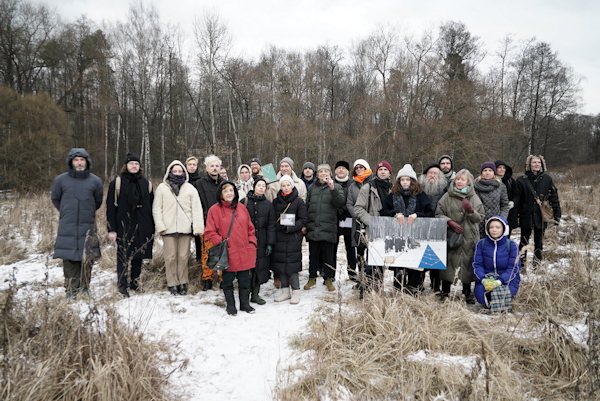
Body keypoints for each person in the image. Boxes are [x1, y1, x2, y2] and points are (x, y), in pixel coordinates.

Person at [51, 148, 103, 297]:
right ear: (71, 162)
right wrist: (68, 212)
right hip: (68, 225)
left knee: (87, 257)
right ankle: (71, 290)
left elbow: (98, 201)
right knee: (69, 259)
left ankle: (85, 288)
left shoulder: (95, 181)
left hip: (88, 225)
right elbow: (56, 199)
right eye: (76, 160)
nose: (79, 163)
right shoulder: (60, 180)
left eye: (82, 160)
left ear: (87, 162)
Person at [204, 181, 257, 315]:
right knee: (227, 281)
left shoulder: (242, 208)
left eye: (231, 190)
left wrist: (252, 242)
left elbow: (250, 228)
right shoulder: (214, 210)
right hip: (227, 252)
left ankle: (245, 304)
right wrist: (221, 244)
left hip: (244, 250)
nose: (229, 193)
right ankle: (231, 305)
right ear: (221, 193)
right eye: (225, 191)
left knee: (245, 280)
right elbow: (209, 232)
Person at [380, 164, 434, 294]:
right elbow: (383, 211)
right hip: (397, 236)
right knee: (399, 264)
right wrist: (395, 214)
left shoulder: (421, 195)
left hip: (416, 236)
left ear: (412, 181)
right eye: (402, 180)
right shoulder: (393, 195)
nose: (405, 182)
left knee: (414, 265)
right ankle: (398, 290)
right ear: (399, 181)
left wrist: (417, 215)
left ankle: (413, 290)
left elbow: (430, 213)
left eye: (408, 179)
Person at [106, 152, 154, 297]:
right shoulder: (117, 183)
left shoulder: (146, 184)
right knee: (123, 256)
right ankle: (122, 285)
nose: (134, 166)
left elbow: (152, 206)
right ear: (126, 166)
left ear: (140, 166)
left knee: (139, 255)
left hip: (143, 225)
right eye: (131, 163)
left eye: (136, 164)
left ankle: (135, 282)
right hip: (123, 225)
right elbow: (110, 207)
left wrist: (152, 226)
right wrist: (111, 229)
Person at [153, 160, 204, 296]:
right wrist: (160, 225)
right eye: (174, 171)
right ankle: (172, 283)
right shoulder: (162, 188)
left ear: (184, 172)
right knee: (170, 257)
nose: (177, 173)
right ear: (170, 172)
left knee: (183, 257)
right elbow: (157, 209)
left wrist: (198, 227)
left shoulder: (190, 189)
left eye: (179, 171)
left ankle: (183, 282)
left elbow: (197, 209)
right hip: (168, 229)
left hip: (185, 229)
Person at [435, 169, 485, 303]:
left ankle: (467, 292)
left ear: (468, 182)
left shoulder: (474, 198)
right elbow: (438, 213)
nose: (459, 181)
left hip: (469, 237)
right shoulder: (447, 196)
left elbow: (480, 218)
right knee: (449, 263)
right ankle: (445, 291)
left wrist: (470, 211)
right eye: (457, 179)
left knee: (467, 263)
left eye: (463, 180)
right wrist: (449, 222)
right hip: (451, 236)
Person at [513, 155, 561, 268]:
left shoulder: (547, 179)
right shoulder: (521, 180)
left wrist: (557, 214)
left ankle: (537, 265)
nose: (536, 164)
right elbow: (516, 200)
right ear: (529, 164)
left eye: (539, 162)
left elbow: (554, 197)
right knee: (524, 241)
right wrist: (515, 217)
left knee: (539, 242)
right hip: (526, 214)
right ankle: (521, 265)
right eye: (534, 162)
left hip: (541, 214)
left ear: (542, 164)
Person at [304, 164, 346, 291]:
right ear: (317, 174)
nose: (323, 174)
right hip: (314, 226)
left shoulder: (336, 187)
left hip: (329, 227)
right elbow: (307, 205)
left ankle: (329, 279)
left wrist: (332, 188)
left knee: (329, 256)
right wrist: (306, 224)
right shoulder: (312, 187)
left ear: (330, 174)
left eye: (326, 172)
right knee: (313, 255)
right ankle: (311, 278)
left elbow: (340, 203)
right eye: (321, 171)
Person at [354, 160, 393, 295]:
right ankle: (366, 291)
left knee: (382, 262)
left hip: (389, 231)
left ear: (389, 172)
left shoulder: (393, 189)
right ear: (376, 172)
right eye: (380, 169)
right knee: (371, 262)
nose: (383, 172)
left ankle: (378, 290)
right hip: (373, 231)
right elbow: (358, 208)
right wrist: (371, 222)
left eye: (385, 170)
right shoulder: (368, 188)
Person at [271, 175, 308, 304]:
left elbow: (303, 220)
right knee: (281, 265)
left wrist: (291, 228)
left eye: (288, 185)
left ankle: (296, 291)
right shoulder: (276, 202)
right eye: (283, 185)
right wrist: (278, 227)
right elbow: (272, 219)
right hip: (279, 237)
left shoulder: (298, 201)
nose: (286, 188)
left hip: (293, 237)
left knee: (292, 266)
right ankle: (285, 291)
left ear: (292, 186)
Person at [190, 155, 224, 291]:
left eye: (217, 166)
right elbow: (196, 204)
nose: (215, 168)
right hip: (207, 223)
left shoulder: (224, 183)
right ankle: (207, 278)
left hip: (222, 223)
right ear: (206, 168)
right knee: (207, 252)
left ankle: (222, 277)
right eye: (212, 166)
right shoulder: (199, 184)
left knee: (222, 251)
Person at [473, 216, 521, 312]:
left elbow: (513, 268)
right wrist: (483, 280)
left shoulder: (511, 245)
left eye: (497, 227)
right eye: (491, 227)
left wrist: (499, 281)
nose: (494, 230)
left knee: (506, 295)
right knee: (481, 297)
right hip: (487, 278)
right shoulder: (481, 244)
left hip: (507, 280)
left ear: (504, 229)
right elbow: (477, 265)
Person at [241, 178, 276, 305]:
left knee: (259, 268)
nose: (261, 188)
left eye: (263, 186)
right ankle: (245, 294)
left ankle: (255, 294)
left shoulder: (268, 205)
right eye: (259, 185)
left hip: (262, 239)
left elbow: (272, 225)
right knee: (246, 268)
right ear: (254, 186)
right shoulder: (244, 202)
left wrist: (270, 243)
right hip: (246, 239)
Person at [418, 164, 447, 293]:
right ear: (425, 176)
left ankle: (436, 285)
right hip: (421, 226)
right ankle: (419, 283)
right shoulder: (418, 189)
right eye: (430, 173)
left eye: (435, 173)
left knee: (435, 256)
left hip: (438, 227)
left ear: (440, 176)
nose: (432, 175)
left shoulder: (444, 189)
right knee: (420, 256)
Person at [346, 159, 373, 282]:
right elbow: (349, 203)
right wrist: (357, 215)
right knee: (360, 251)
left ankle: (371, 278)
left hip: (372, 222)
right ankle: (361, 278)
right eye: (356, 167)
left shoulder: (373, 182)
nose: (359, 169)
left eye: (361, 167)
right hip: (357, 222)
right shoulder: (352, 185)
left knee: (372, 251)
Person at [333, 160, 356, 283]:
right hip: (334, 220)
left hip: (349, 220)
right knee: (332, 248)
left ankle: (352, 272)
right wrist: (338, 211)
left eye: (343, 168)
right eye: (339, 168)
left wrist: (347, 211)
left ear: (347, 170)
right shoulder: (331, 182)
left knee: (350, 248)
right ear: (335, 170)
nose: (341, 170)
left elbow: (354, 199)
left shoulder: (352, 183)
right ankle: (330, 274)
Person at [474, 162, 510, 238]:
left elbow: (505, 205)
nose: (487, 173)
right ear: (481, 172)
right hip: (478, 223)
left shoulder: (501, 186)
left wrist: (501, 219)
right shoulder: (474, 186)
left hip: (495, 224)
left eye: (490, 170)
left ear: (494, 172)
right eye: (485, 170)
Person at [186, 156, 203, 263]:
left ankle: (199, 261)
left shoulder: (201, 181)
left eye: (194, 165)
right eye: (190, 164)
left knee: (198, 240)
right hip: (185, 214)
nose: (192, 167)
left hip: (197, 213)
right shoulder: (182, 180)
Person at [495, 160, 518, 235]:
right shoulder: (490, 180)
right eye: (499, 167)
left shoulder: (510, 180)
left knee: (506, 235)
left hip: (508, 212)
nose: (502, 169)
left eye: (504, 168)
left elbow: (517, 194)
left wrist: (513, 202)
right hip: (494, 211)